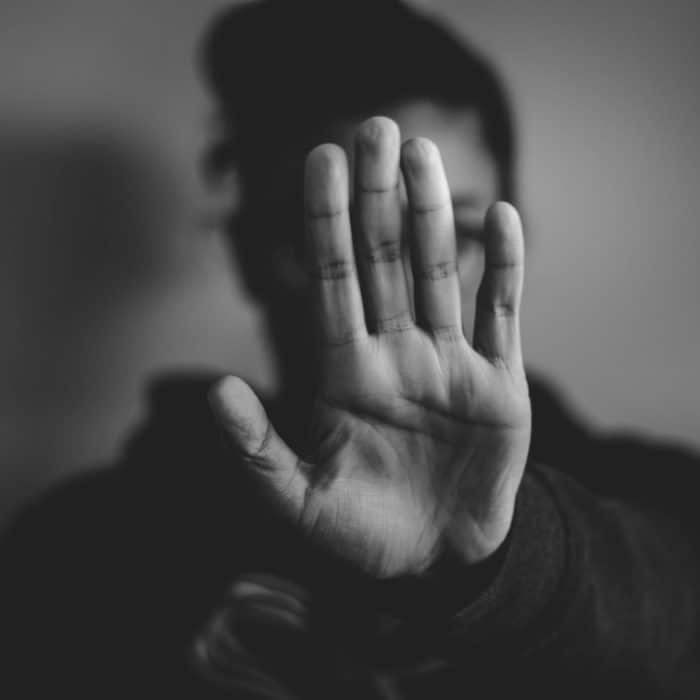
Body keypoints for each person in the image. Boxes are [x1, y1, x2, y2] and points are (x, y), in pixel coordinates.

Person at [1, 1, 699, 698]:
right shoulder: (74, 552)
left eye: (446, 232)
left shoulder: (658, 500)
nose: (387, 277)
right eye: (328, 231)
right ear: (250, 254)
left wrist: (511, 563)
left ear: (512, 249)